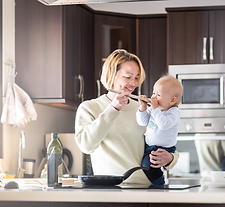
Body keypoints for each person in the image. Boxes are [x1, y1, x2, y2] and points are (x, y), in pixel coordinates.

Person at [75, 49, 179, 185]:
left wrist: (171, 158)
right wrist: (113, 109)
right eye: (128, 76)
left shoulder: (142, 109)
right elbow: (86, 146)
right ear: (112, 74)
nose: (134, 83)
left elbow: (164, 140)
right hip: (112, 191)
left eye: (136, 77)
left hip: (146, 189)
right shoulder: (89, 108)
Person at [136, 75, 183, 185]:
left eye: (159, 95)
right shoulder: (153, 109)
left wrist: (155, 109)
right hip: (149, 147)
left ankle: (160, 185)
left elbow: (163, 125)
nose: (154, 97)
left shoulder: (173, 112)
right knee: (147, 167)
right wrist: (142, 108)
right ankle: (158, 184)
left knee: (148, 167)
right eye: (153, 93)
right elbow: (142, 122)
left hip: (164, 148)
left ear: (172, 100)